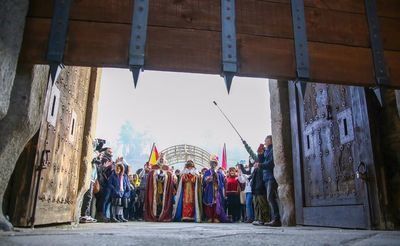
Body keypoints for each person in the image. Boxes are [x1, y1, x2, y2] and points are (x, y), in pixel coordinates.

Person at [243, 136, 281, 227]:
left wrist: (259, 164)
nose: (264, 141)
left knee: (270, 198)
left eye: (266, 140)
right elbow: (261, 160)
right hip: (265, 178)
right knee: (268, 199)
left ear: (270, 140)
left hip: (270, 177)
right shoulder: (266, 151)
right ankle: (272, 219)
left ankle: (275, 219)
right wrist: (260, 154)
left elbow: (269, 163)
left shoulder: (272, 150)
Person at [144, 153, 175, 222]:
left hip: (164, 190)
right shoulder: (154, 167)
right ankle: (155, 215)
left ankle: (162, 215)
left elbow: (170, 177)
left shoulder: (167, 168)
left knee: (162, 201)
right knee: (156, 201)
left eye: (162, 159)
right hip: (155, 189)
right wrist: (155, 174)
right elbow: (150, 175)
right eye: (160, 159)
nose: (161, 160)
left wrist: (165, 175)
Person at [202, 154, 228, 223]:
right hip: (209, 190)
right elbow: (204, 181)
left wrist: (217, 179)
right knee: (209, 203)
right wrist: (208, 179)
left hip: (217, 191)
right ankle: (210, 217)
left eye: (214, 163)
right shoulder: (207, 172)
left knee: (217, 204)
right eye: (212, 163)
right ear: (210, 164)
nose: (213, 164)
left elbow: (222, 181)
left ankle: (216, 217)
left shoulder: (219, 172)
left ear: (216, 164)